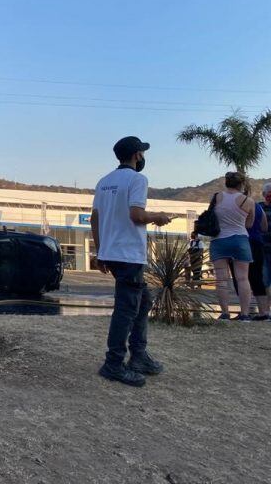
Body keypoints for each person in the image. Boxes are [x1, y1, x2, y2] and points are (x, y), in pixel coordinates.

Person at [91, 136, 171, 387]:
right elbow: (136, 215)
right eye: (142, 153)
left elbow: (94, 218)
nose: (143, 157)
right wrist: (157, 216)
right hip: (128, 254)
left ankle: (139, 355)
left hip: (112, 253)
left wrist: (101, 251)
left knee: (142, 300)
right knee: (126, 308)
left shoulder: (104, 182)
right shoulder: (138, 179)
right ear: (137, 155)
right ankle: (114, 363)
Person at [209, 172, 255, 321]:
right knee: (242, 278)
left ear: (226, 182)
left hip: (219, 240)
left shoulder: (216, 197)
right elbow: (249, 224)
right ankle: (245, 314)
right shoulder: (248, 201)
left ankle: (225, 313)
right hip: (240, 240)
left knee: (221, 279)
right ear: (241, 184)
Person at [244, 183, 268, 318]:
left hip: (243, 242)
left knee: (242, 278)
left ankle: (244, 312)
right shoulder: (258, 206)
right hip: (258, 243)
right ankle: (264, 312)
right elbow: (264, 227)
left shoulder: (238, 205)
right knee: (258, 277)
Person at [256, 182, 271, 320]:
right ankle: (266, 310)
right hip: (262, 248)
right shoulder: (258, 207)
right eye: (268, 194)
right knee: (265, 280)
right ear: (263, 195)